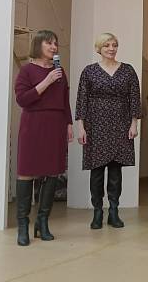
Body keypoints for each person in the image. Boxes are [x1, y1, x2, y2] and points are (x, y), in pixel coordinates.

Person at [75, 33, 141, 229]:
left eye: (114, 45)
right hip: (95, 125)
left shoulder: (128, 70)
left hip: (120, 123)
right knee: (96, 172)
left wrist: (134, 124)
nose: (111, 49)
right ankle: (97, 212)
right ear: (99, 48)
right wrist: (81, 127)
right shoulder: (89, 71)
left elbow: (134, 99)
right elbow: (81, 100)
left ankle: (113, 211)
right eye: (107, 45)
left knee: (115, 171)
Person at [14, 30, 73, 246]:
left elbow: (65, 100)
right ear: (38, 45)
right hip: (33, 125)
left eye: (55, 43)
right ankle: (23, 226)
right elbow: (22, 99)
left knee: (53, 172)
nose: (54, 47)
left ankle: (42, 222)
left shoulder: (60, 71)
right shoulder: (27, 71)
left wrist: (68, 124)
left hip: (56, 125)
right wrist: (47, 81)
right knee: (26, 172)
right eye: (49, 43)